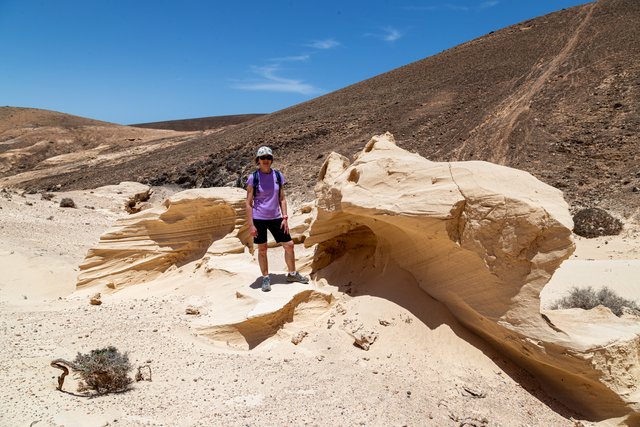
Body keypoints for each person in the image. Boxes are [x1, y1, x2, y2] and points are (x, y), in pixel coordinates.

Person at [246, 146, 309, 291]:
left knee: (289, 245)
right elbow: (248, 203)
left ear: (271, 159)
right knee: (262, 249)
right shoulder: (253, 178)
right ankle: (266, 278)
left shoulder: (278, 176)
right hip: (259, 218)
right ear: (258, 160)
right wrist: (251, 225)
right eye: (263, 158)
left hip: (276, 217)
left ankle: (292, 273)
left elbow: (282, 198)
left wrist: (285, 217)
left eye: (268, 157)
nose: (266, 160)